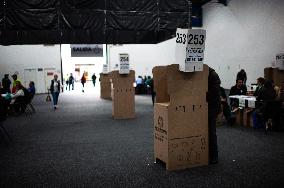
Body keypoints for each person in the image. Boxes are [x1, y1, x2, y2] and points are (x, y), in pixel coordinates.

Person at [207, 67, 221, 164]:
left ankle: (214, 156)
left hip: (212, 107)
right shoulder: (209, 75)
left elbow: (213, 93)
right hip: (209, 106)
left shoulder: (213, 76)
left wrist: (200, 94)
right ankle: (209, 154)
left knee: (211, 132)